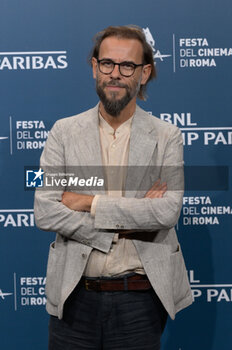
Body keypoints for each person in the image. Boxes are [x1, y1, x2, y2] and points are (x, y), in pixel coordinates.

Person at [34, 25, 193, 350]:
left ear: (144, 72)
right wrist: (121, 226)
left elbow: (165, 211)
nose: (115, 74)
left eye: (127, 66)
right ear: (95, 67)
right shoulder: (63, 133)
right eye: (107, 63)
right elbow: (45, 210)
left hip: (140, 300)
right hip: (74, 296)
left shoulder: (167, 136)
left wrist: (88, 203)